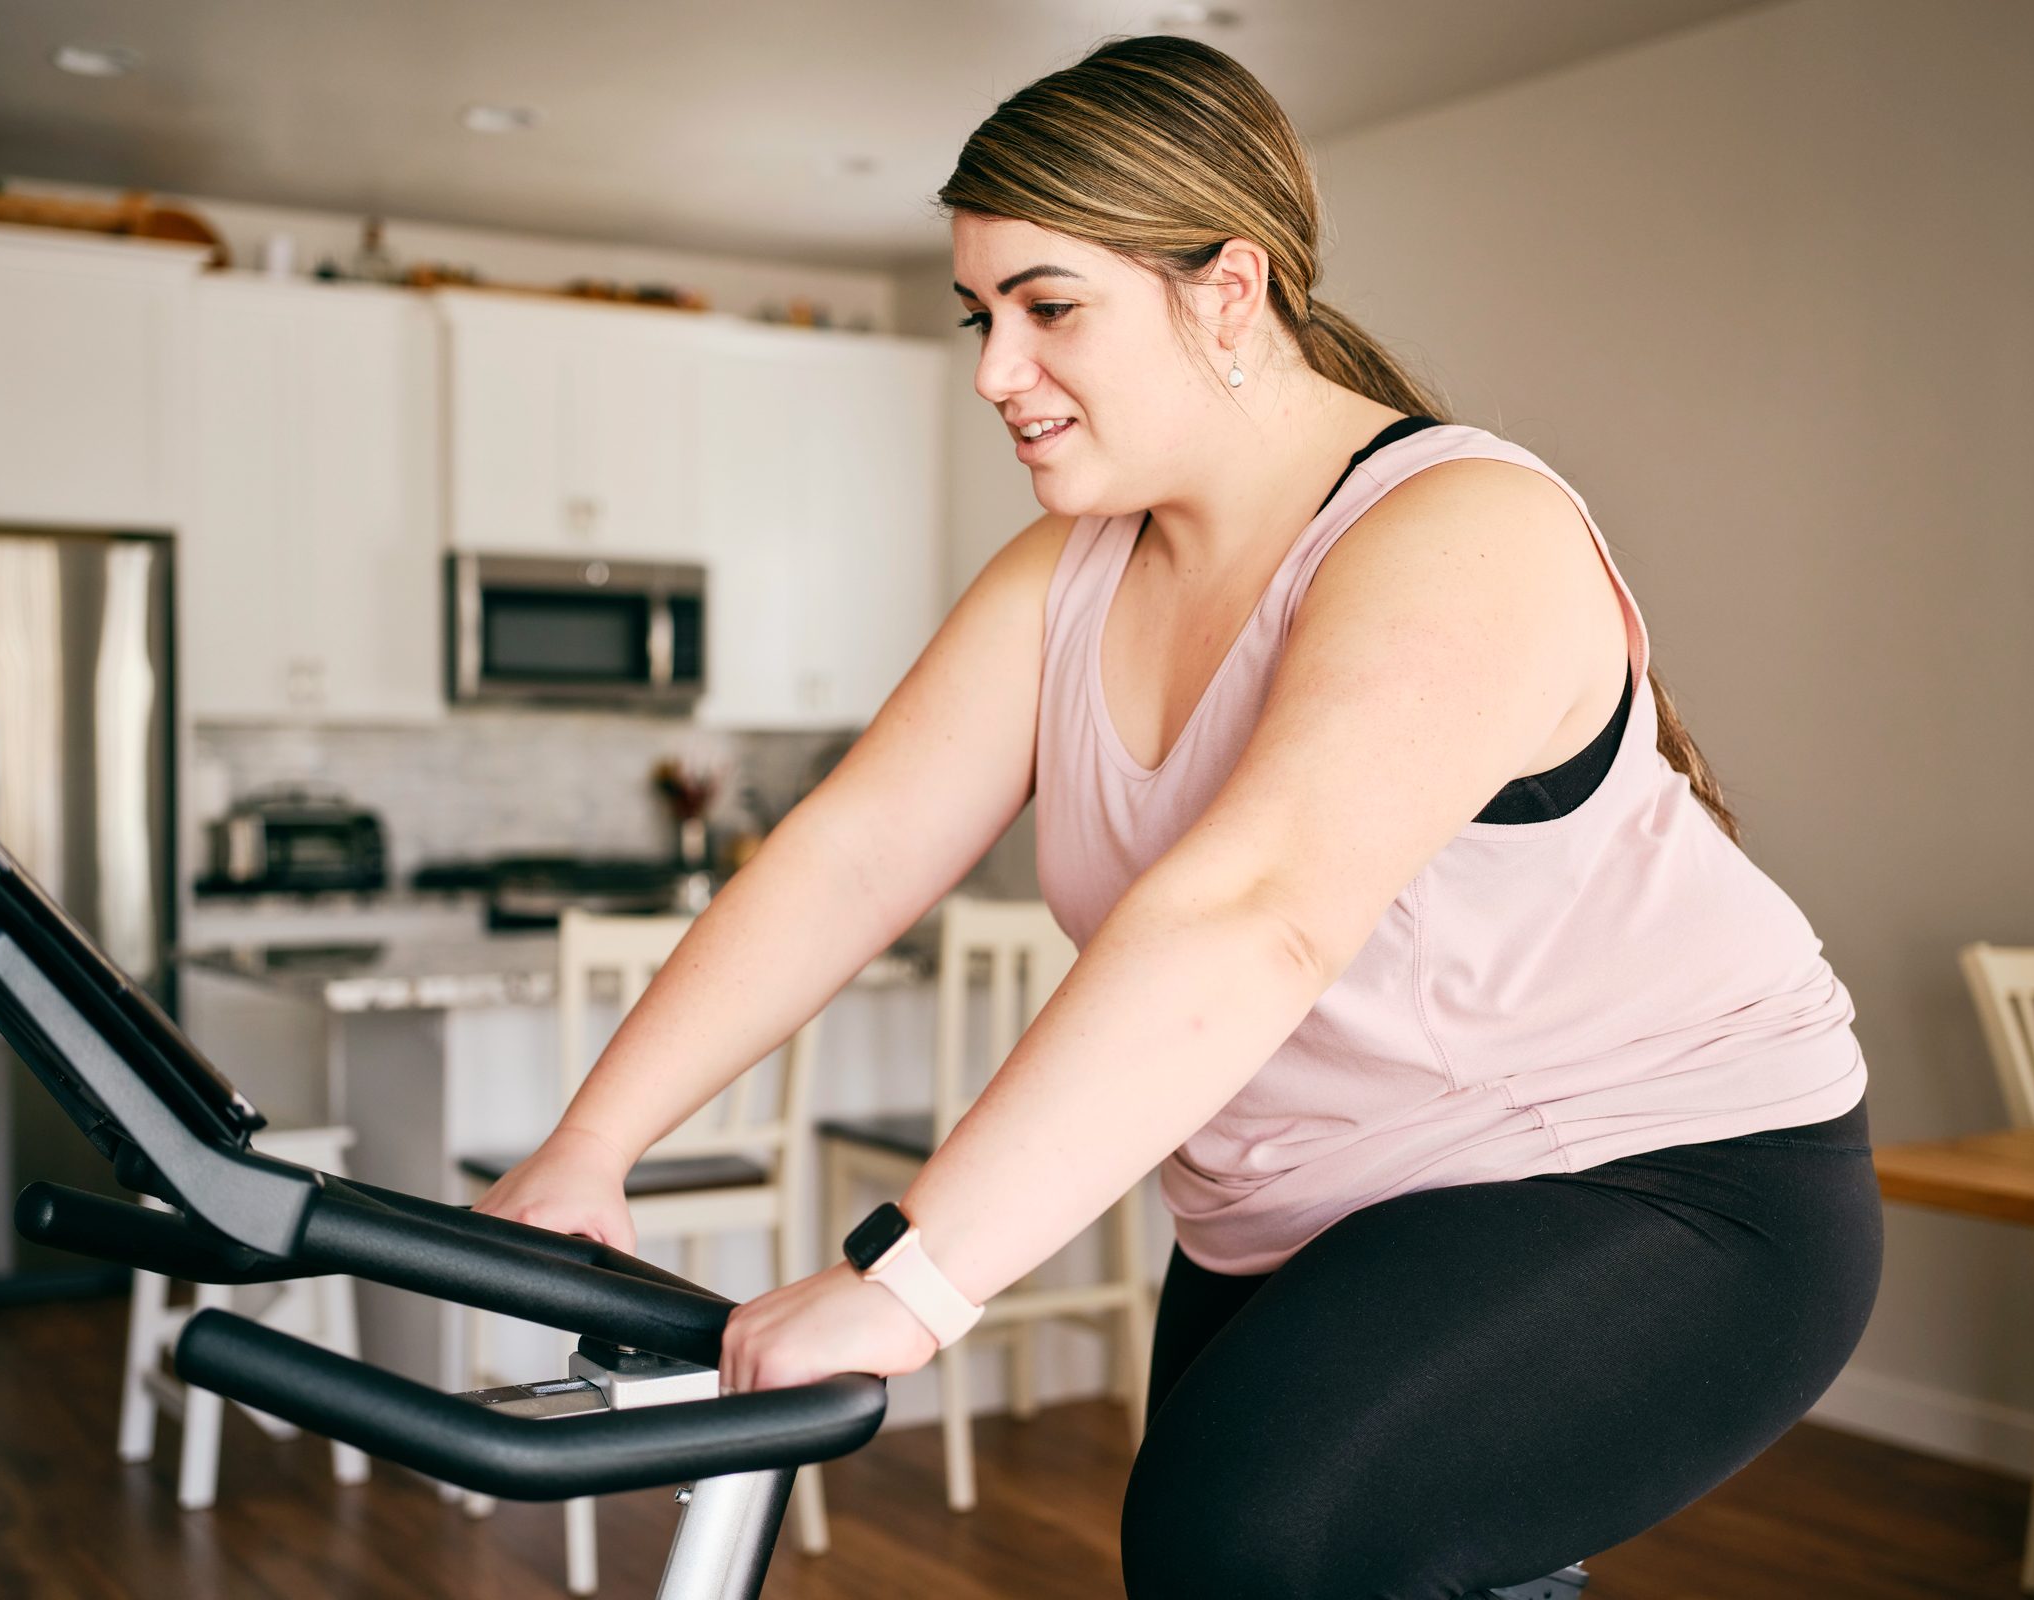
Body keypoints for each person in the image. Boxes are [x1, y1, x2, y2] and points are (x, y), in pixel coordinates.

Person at [473, 34, 1881, 1599]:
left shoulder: (1465, 531)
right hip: (1309, 1209)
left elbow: (1252, 914)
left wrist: (913, 1282)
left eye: (1050, 307)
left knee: (1250, 1545)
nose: (999, 371)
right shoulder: (1065, 580)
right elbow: (848, 856)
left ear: (1229, 289)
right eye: (980, 317)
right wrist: (589, 1149)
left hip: (1657, 1173)